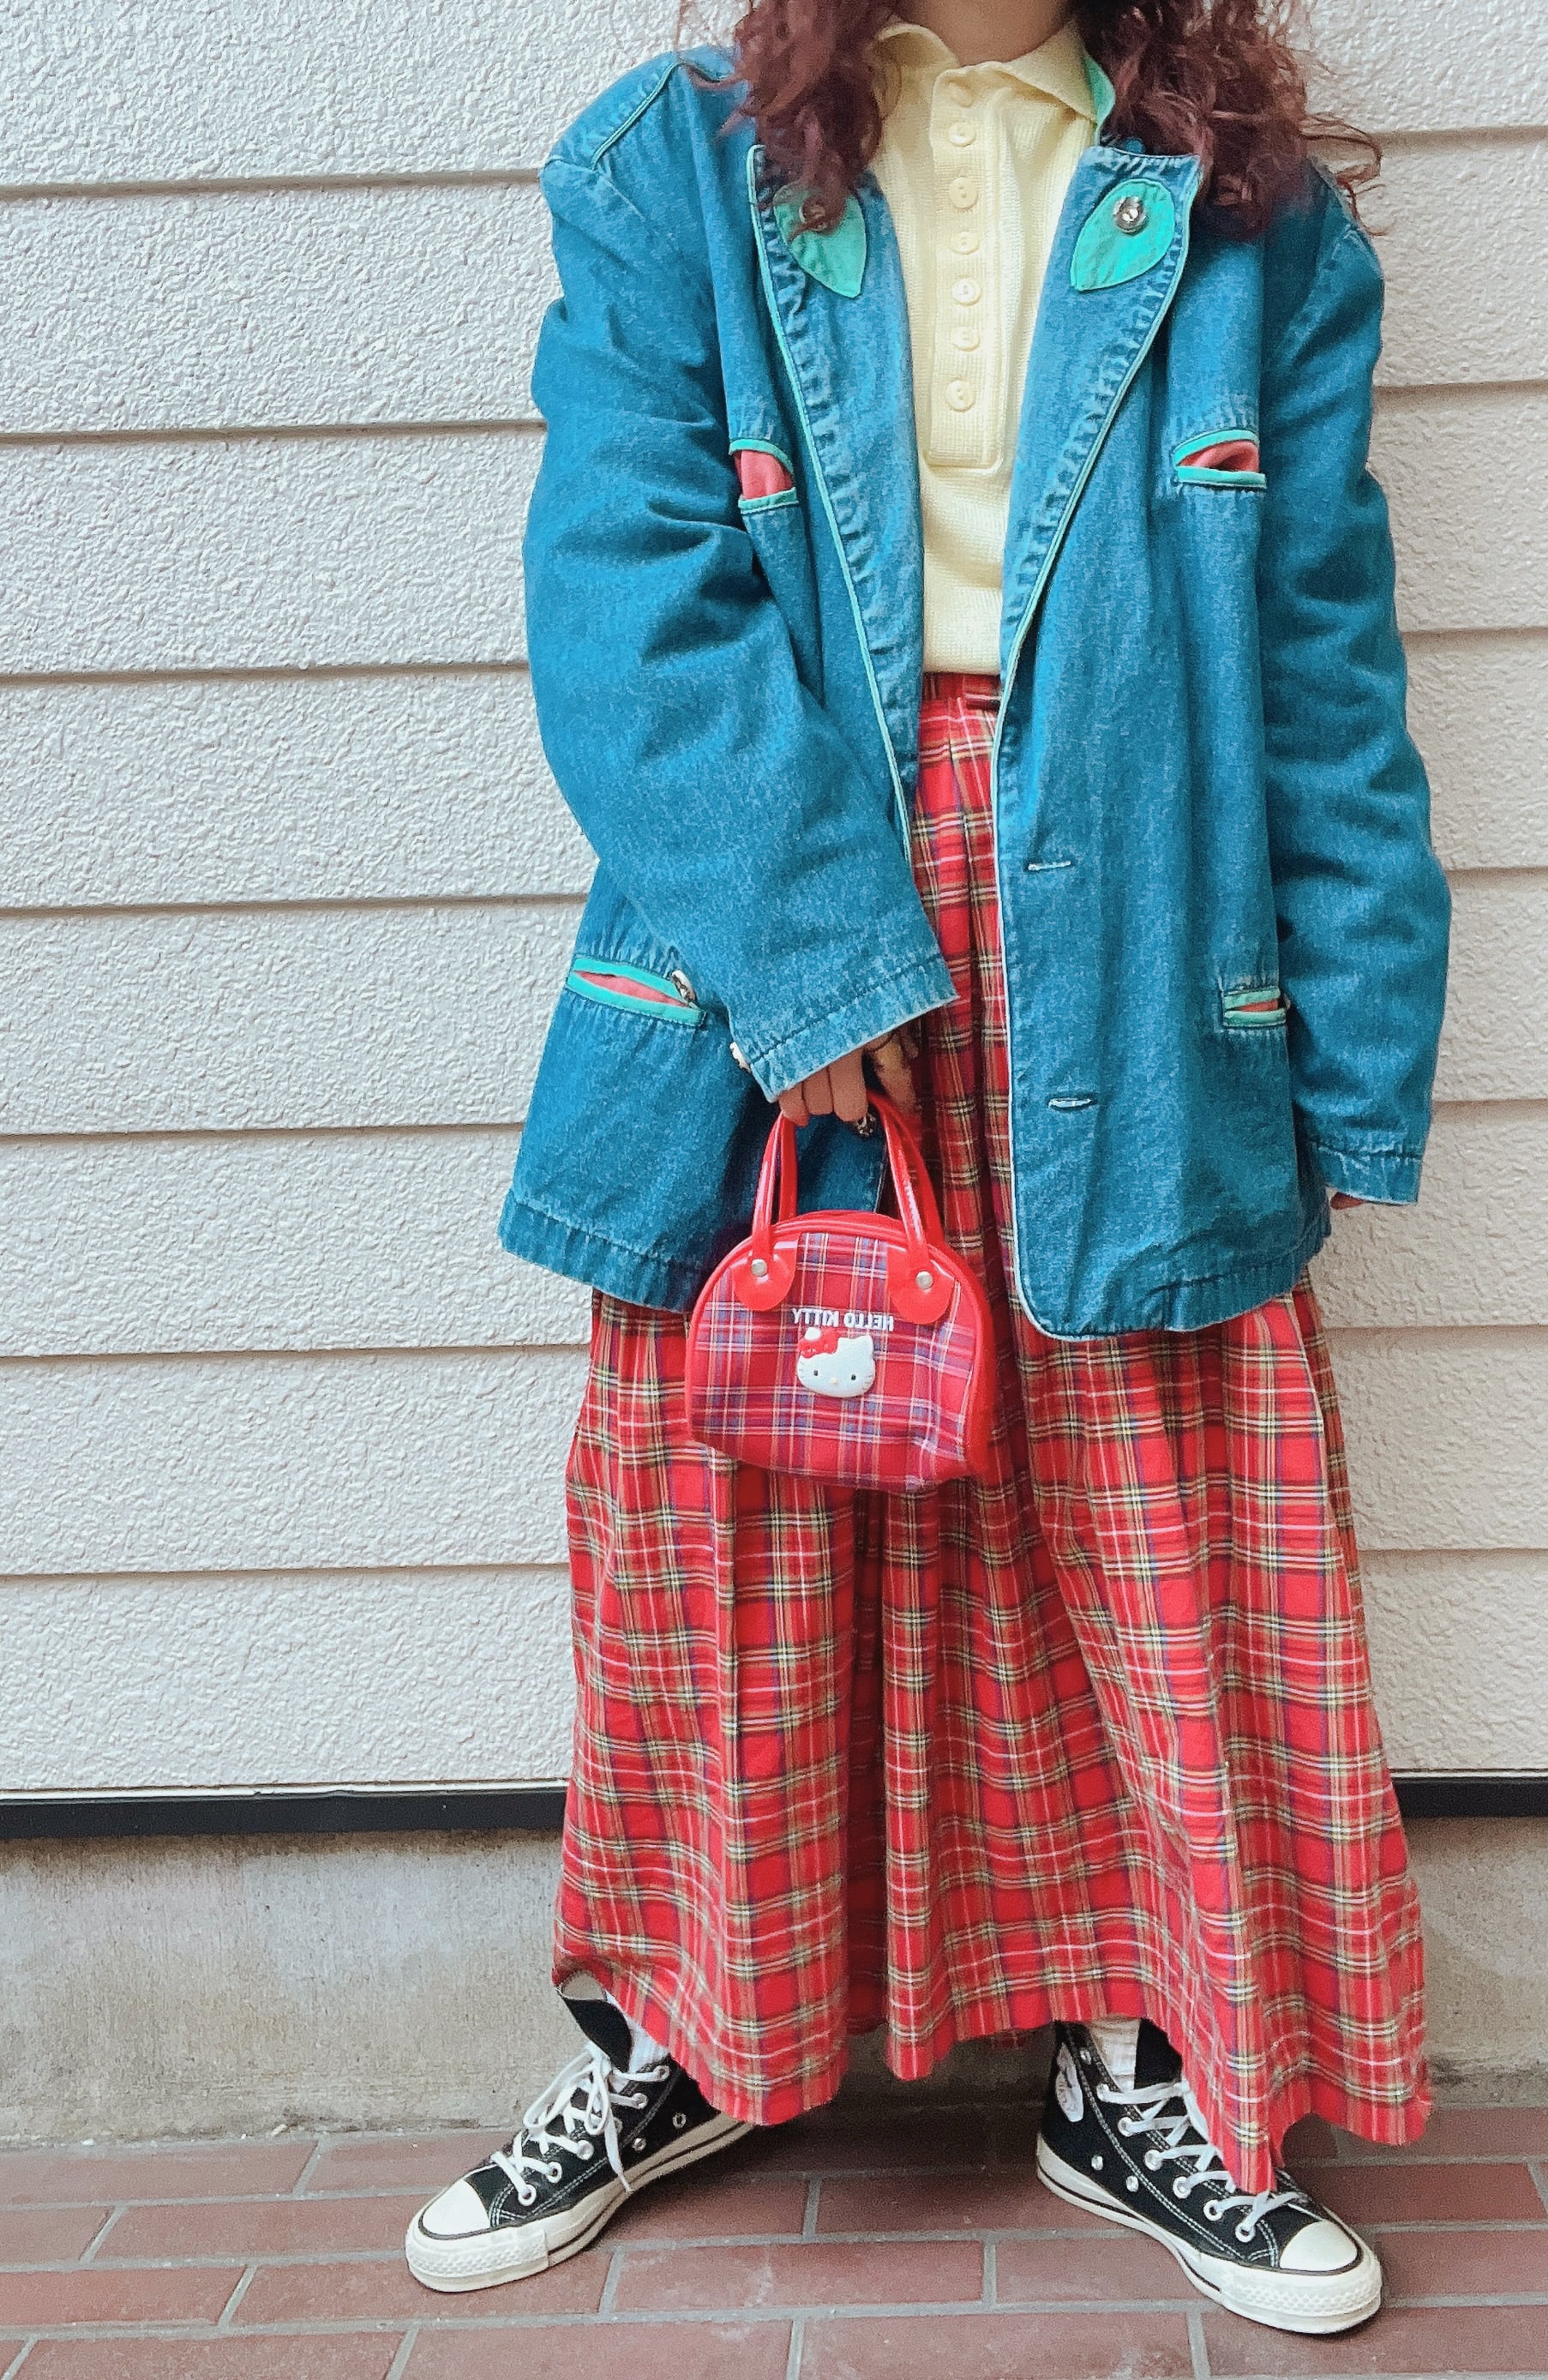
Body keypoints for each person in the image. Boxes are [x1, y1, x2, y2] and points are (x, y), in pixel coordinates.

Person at [405, 0, 1449, 2339]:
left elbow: (1319, 651)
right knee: (736, 1511)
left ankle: (1143, 2063)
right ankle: (687, 2030)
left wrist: (1359, 1037)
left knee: (1135, 1516)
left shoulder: (1242, 215)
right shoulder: (672, 165)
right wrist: (815, 966)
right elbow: (626, 592)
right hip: (772, 919)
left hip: (1146, 919)